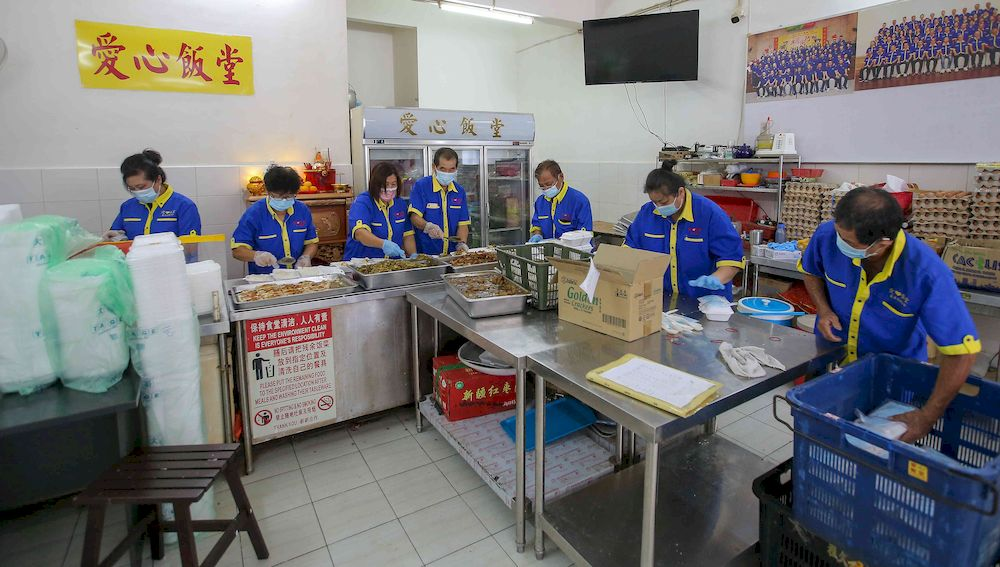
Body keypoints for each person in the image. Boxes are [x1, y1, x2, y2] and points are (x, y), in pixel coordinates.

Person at [798, 187, 980, 443]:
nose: (839, 245)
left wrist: (927, 416)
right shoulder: (829, 234)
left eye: (849, 243)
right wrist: (824, 309)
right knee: (817, 439)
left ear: (882, 243)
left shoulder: (925, 272)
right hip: (830, 363)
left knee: (874, 454)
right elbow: (811, 270)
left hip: (890, 381)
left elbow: (963, 351)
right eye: (838, 235)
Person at [624, 161, 744, 299]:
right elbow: (631, 246)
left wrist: (717, 278)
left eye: (663, 202)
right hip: (665, 299)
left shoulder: (709, 213)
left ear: (680, 192)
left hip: (707, 301)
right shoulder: (647, 213)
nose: (658, 207)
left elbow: (731, 257)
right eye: (654, 202)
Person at [231, 165, 318, 274]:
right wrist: (257, 256)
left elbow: (312, 242)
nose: (284, 200)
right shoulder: (254, 214)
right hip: (265, 281)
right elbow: (237, 251)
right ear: (268, 191)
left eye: (289, 196)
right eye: (279, 196)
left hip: (298, 277)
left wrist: (306, 257)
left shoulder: (302, 210)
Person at [106, 149, 201, 241]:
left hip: (172, 257)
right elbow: (115, 236)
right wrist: (115, 239)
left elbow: (190, 249)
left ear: (158, 180)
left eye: (141, 187)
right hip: (135, 257)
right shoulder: (127, 207)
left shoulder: (184, 206)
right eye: (132, 188)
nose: (137, 192)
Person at [344, 162, 416, 260]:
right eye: (385, 184)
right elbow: (360, 233)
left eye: (393, 184)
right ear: (375, 184)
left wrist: (413, 255)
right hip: (362, 262)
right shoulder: (362, 203)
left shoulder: (400, 204)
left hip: (391, 265)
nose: (389, 188)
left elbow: (407, 234)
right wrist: (383, 244)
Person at [408, 147, 471, 255]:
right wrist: (427, 226)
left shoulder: (459, 191)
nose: (447, 173)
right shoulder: (422, 186)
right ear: (434, 167)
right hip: (427, 255)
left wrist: (461, 243)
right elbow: (414, 217)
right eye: (442, 169)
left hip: (452, 254)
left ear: (456, 169)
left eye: (451, 169)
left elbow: (463, 224)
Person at [528, 160, 593, 243]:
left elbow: (585, 235)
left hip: (573, 252)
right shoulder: (540, 202)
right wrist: (538, 235)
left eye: (549, 184)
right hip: (547, 252)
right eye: (542, 186)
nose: (546, 189)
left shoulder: (579, 201)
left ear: (561, 177)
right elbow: (537, 226)